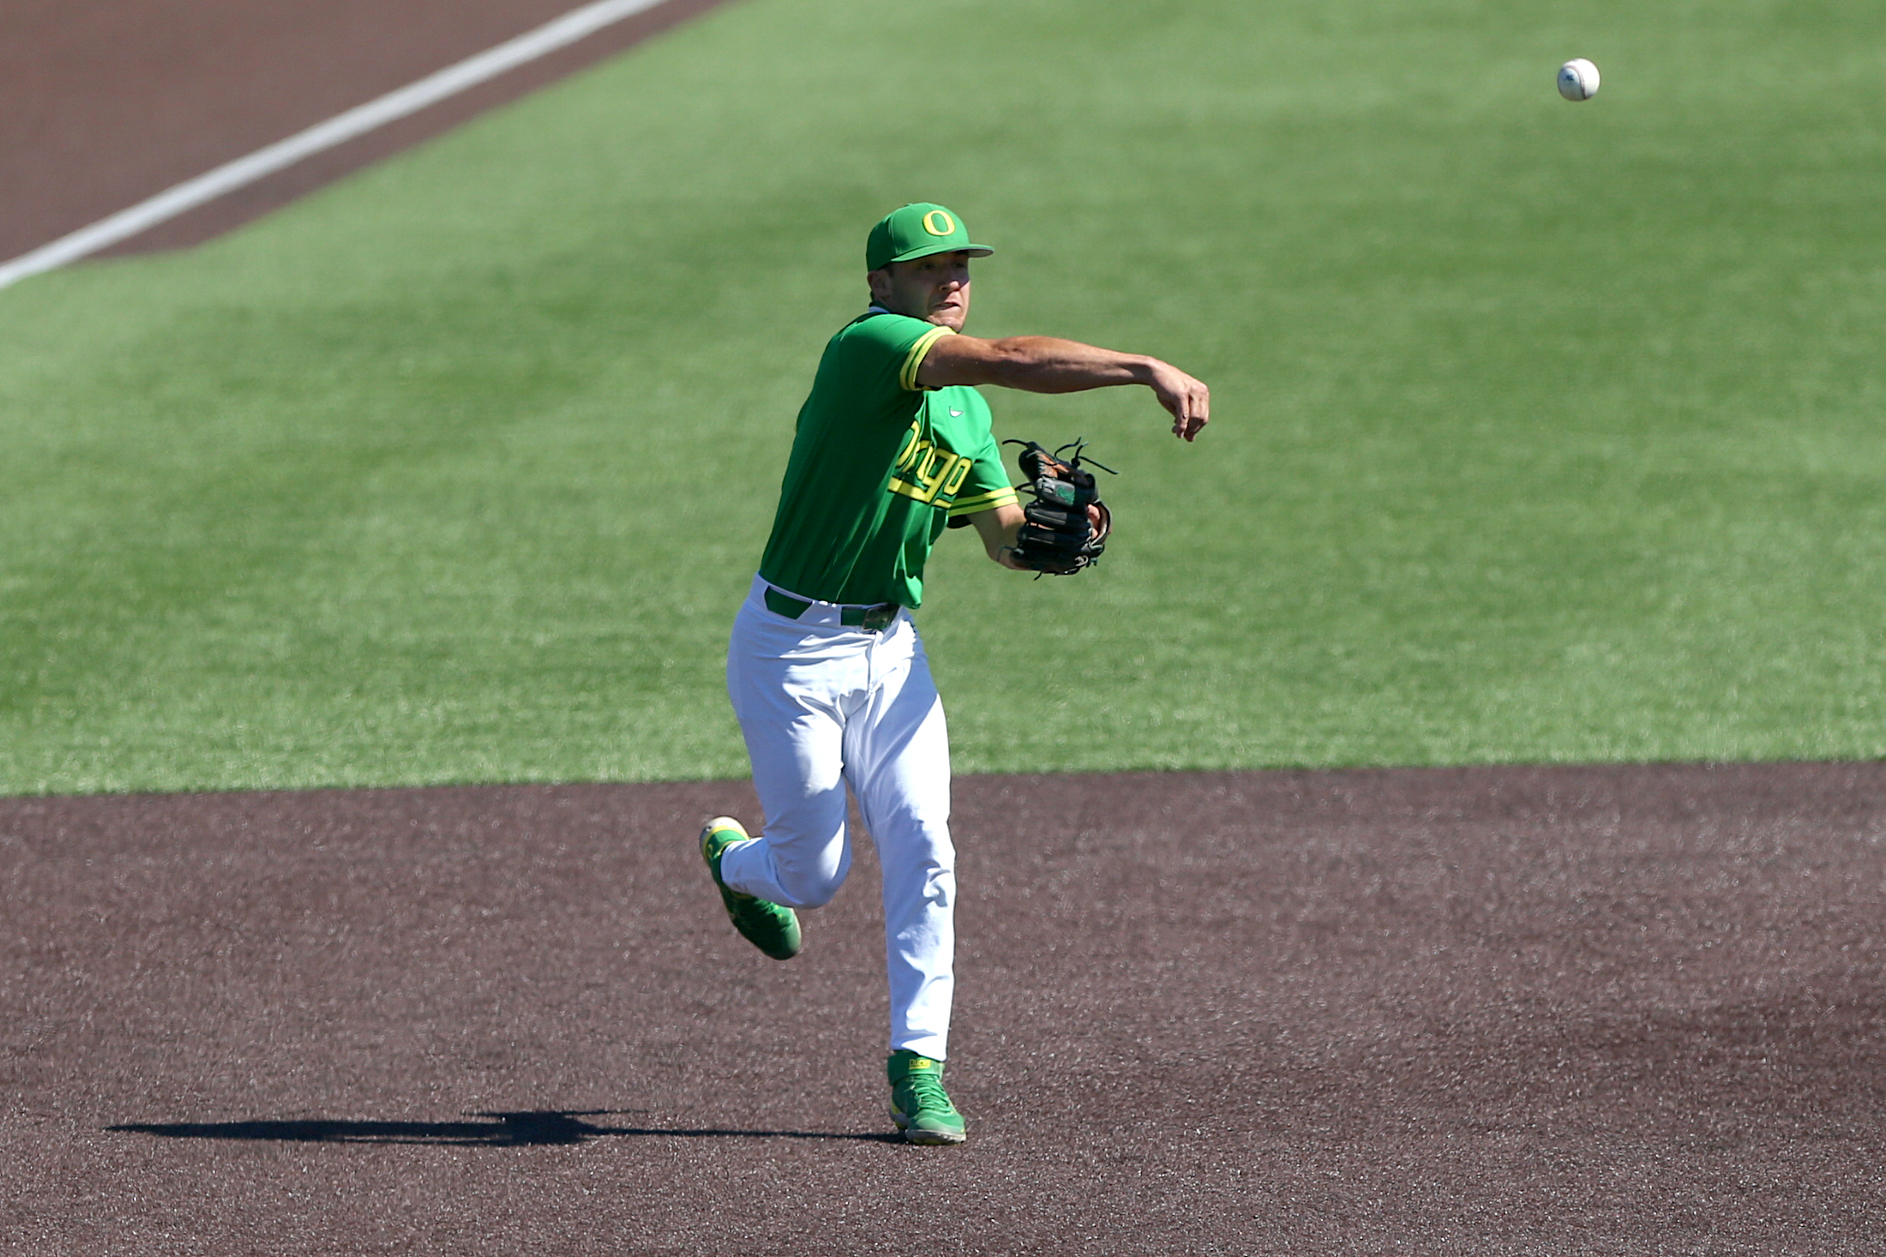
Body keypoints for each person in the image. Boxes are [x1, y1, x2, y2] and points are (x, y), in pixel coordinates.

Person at [700, 202, 1209, 1144]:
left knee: (926, 846)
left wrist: (1064, 539)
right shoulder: (867, 349)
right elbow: (1013, 357)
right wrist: (1143, 365)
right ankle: (737, 863)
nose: (951, 280)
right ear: (880, 284)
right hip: (790, 650)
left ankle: (917, 1069)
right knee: (812, 876)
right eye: (928, 266)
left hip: (892, 654)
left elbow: (1004, 542)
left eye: (961, 265)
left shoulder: (965, 414)